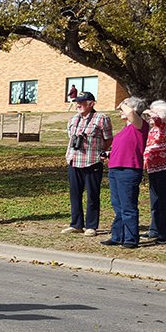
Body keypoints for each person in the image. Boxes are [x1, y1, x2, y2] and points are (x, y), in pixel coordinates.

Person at [102, 97, 149, 249]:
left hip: (128, 170)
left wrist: (123, 102)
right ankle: (118, 236)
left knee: (128, 205)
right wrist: (109, 154)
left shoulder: (140, 125)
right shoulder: (125, 129)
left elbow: (130, 112)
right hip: (115, 168)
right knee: (118, 205)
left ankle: (131, 239)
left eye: (125, 107)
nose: (121, 110)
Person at [63, 91, 113, 236]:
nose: (78, 105)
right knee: (75, 194)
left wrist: (100, 152)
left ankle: (91, 225)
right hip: (74, 160)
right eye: (77, 102)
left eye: (82, 102)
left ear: (92, 103)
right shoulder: (73, 119)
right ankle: (76, 224)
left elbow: (108, 139)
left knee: (92, 194)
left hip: (92, 161)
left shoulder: (101, 118)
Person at [145, 100, 166, 244]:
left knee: (164, 203)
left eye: (155, 114)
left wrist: (151, 112)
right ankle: (154, 230)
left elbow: (159, 121)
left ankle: (165, 233)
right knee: (155, 202)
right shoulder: (151, 130)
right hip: (153, 168)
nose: (151, 118)